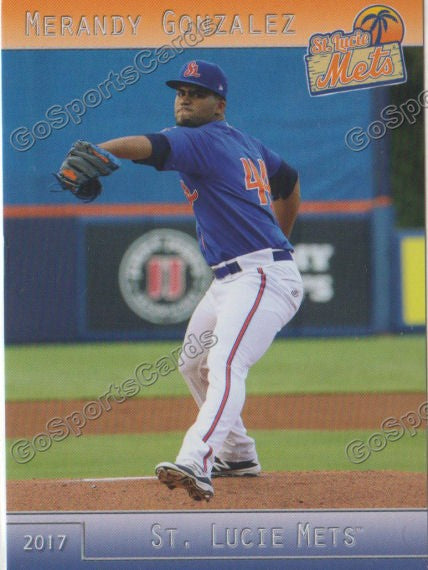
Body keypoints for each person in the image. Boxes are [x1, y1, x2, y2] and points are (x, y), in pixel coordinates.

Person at [97, 60, 303, 501]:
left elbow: (152, 145)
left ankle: (196, 460)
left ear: (219, 105)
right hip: (232, 279)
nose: (185, 99)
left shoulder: (201, 139)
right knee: (193, 363)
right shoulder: (244, 142)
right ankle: (238, 455)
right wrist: (279, 239)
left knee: (225, 364)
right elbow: (288, 181)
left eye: (197, 92)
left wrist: (102, 150)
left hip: (260, 276)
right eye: (181, 92)